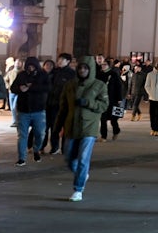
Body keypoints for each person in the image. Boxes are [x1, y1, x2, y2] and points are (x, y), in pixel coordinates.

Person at [56, 55, 108, 202]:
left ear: (90, 70)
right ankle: (82, 174)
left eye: (85, 68)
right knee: (69, 158)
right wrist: (57, 127)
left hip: (88, 127)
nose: (82, 70)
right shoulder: (70, 85)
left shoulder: (99, 85)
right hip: (71, 125)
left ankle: (78, 189)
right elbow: (63, 107)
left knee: (84, 159)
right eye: (80, 68)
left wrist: (88, 103)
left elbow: (104, 106)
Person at [10, 56, 49, 166]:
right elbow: (13, 88)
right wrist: (20, 89)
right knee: (22, 135)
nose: (31, 68)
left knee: (40, 133)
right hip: (23, 110)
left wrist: (31, 88)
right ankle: (21, 158)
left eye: (32, 66)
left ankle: (36, 149)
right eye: (29, 66)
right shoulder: (21, 75)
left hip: (38, 110)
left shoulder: (43, 75)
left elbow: (48, 88)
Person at [47, 53, 76, 153]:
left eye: (62, 60)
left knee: (66, 126)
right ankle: (54, 147)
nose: (59, 61)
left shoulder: (71, 74)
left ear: (68, 61)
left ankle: (65, 147)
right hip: (53, 103)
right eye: (59, 59)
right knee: (54, 126)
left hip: (66, 104)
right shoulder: (54, 72)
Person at [98, 58, 123, 141]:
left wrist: (119, 98)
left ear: (109, 65)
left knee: (113, 119)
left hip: (113, 99)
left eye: (105, 65)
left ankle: (116, 131)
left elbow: (119, 86)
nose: (103, 66)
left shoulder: (113, 74)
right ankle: (103, 136)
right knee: (103, 118)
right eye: (102, 64)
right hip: (102, 100)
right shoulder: (99, 74)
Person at [3, 57, 21, 126]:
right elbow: (5, 80)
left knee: (14, 107)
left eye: (19, 63)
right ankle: (15, 120)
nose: (17, 64)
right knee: (12, 107)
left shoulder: (22, 73)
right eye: (16, 63)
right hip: (11, 92)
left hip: (19, 92)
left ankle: (16, 121)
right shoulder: (11, 72)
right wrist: (8, 86)